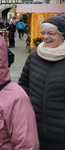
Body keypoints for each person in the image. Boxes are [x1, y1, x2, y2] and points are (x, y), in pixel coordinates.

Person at [19, 14, 65, 149]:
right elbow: (23, 83)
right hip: (35, 126)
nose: (45, 37)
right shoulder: (34, 56)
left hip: (61, 132)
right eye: (43, 33)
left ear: (62, 36)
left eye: (51, 33)